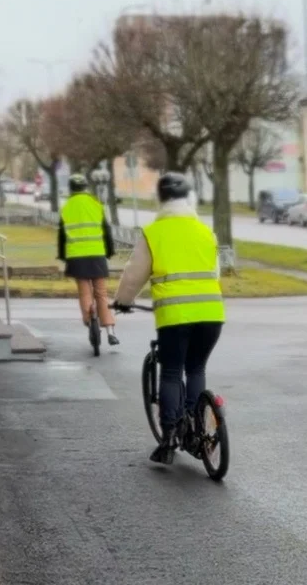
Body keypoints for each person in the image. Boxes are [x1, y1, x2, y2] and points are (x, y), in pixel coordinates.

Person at [113, 172, 225, 465]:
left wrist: (123, 301)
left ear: (160, 200)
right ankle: (198, 427)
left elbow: (133, 274)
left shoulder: (154, 232)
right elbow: (214, 273)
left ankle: (170, 436)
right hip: (212, 313)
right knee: (197, 367)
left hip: (175, 315)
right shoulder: (204, 231)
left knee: (173, 371)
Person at [58, 173, 118, 345]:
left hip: (76, 257)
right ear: (85, 187)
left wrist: (63, 255)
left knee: (85, 292)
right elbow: (106, 230)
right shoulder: (96, 204)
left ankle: (89, 319)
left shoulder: (67, 207)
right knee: (101, 293)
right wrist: (109, 251)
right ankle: (110, 330)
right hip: (97, 254)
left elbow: (62, 236)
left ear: (70, 188)